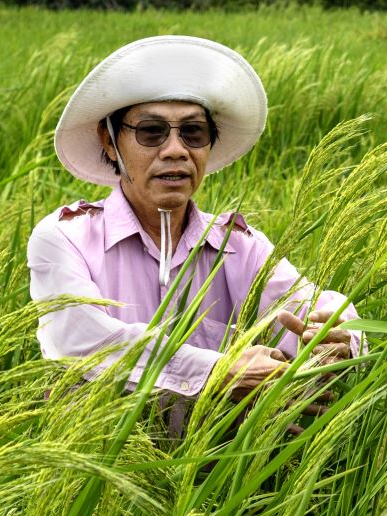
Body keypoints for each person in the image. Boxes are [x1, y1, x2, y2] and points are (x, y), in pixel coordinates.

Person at [27, 36, 362, 415]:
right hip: (98, 450)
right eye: (151, 131)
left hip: (224, 453)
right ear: (109, 141)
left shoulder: (240, 247)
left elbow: (314, 307)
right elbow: (82, 340)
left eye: (193, 133)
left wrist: (343, 338)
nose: (175, 150)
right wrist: (219, 372)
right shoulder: (66, 238)